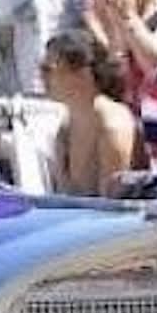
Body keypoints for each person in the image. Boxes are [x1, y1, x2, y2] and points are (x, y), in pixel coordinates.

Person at [39, 28, 138, 197]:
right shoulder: (66, 126)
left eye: (48, 69)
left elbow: (112, 206)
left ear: (84, 74)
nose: (41, 76)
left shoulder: (112, 125)